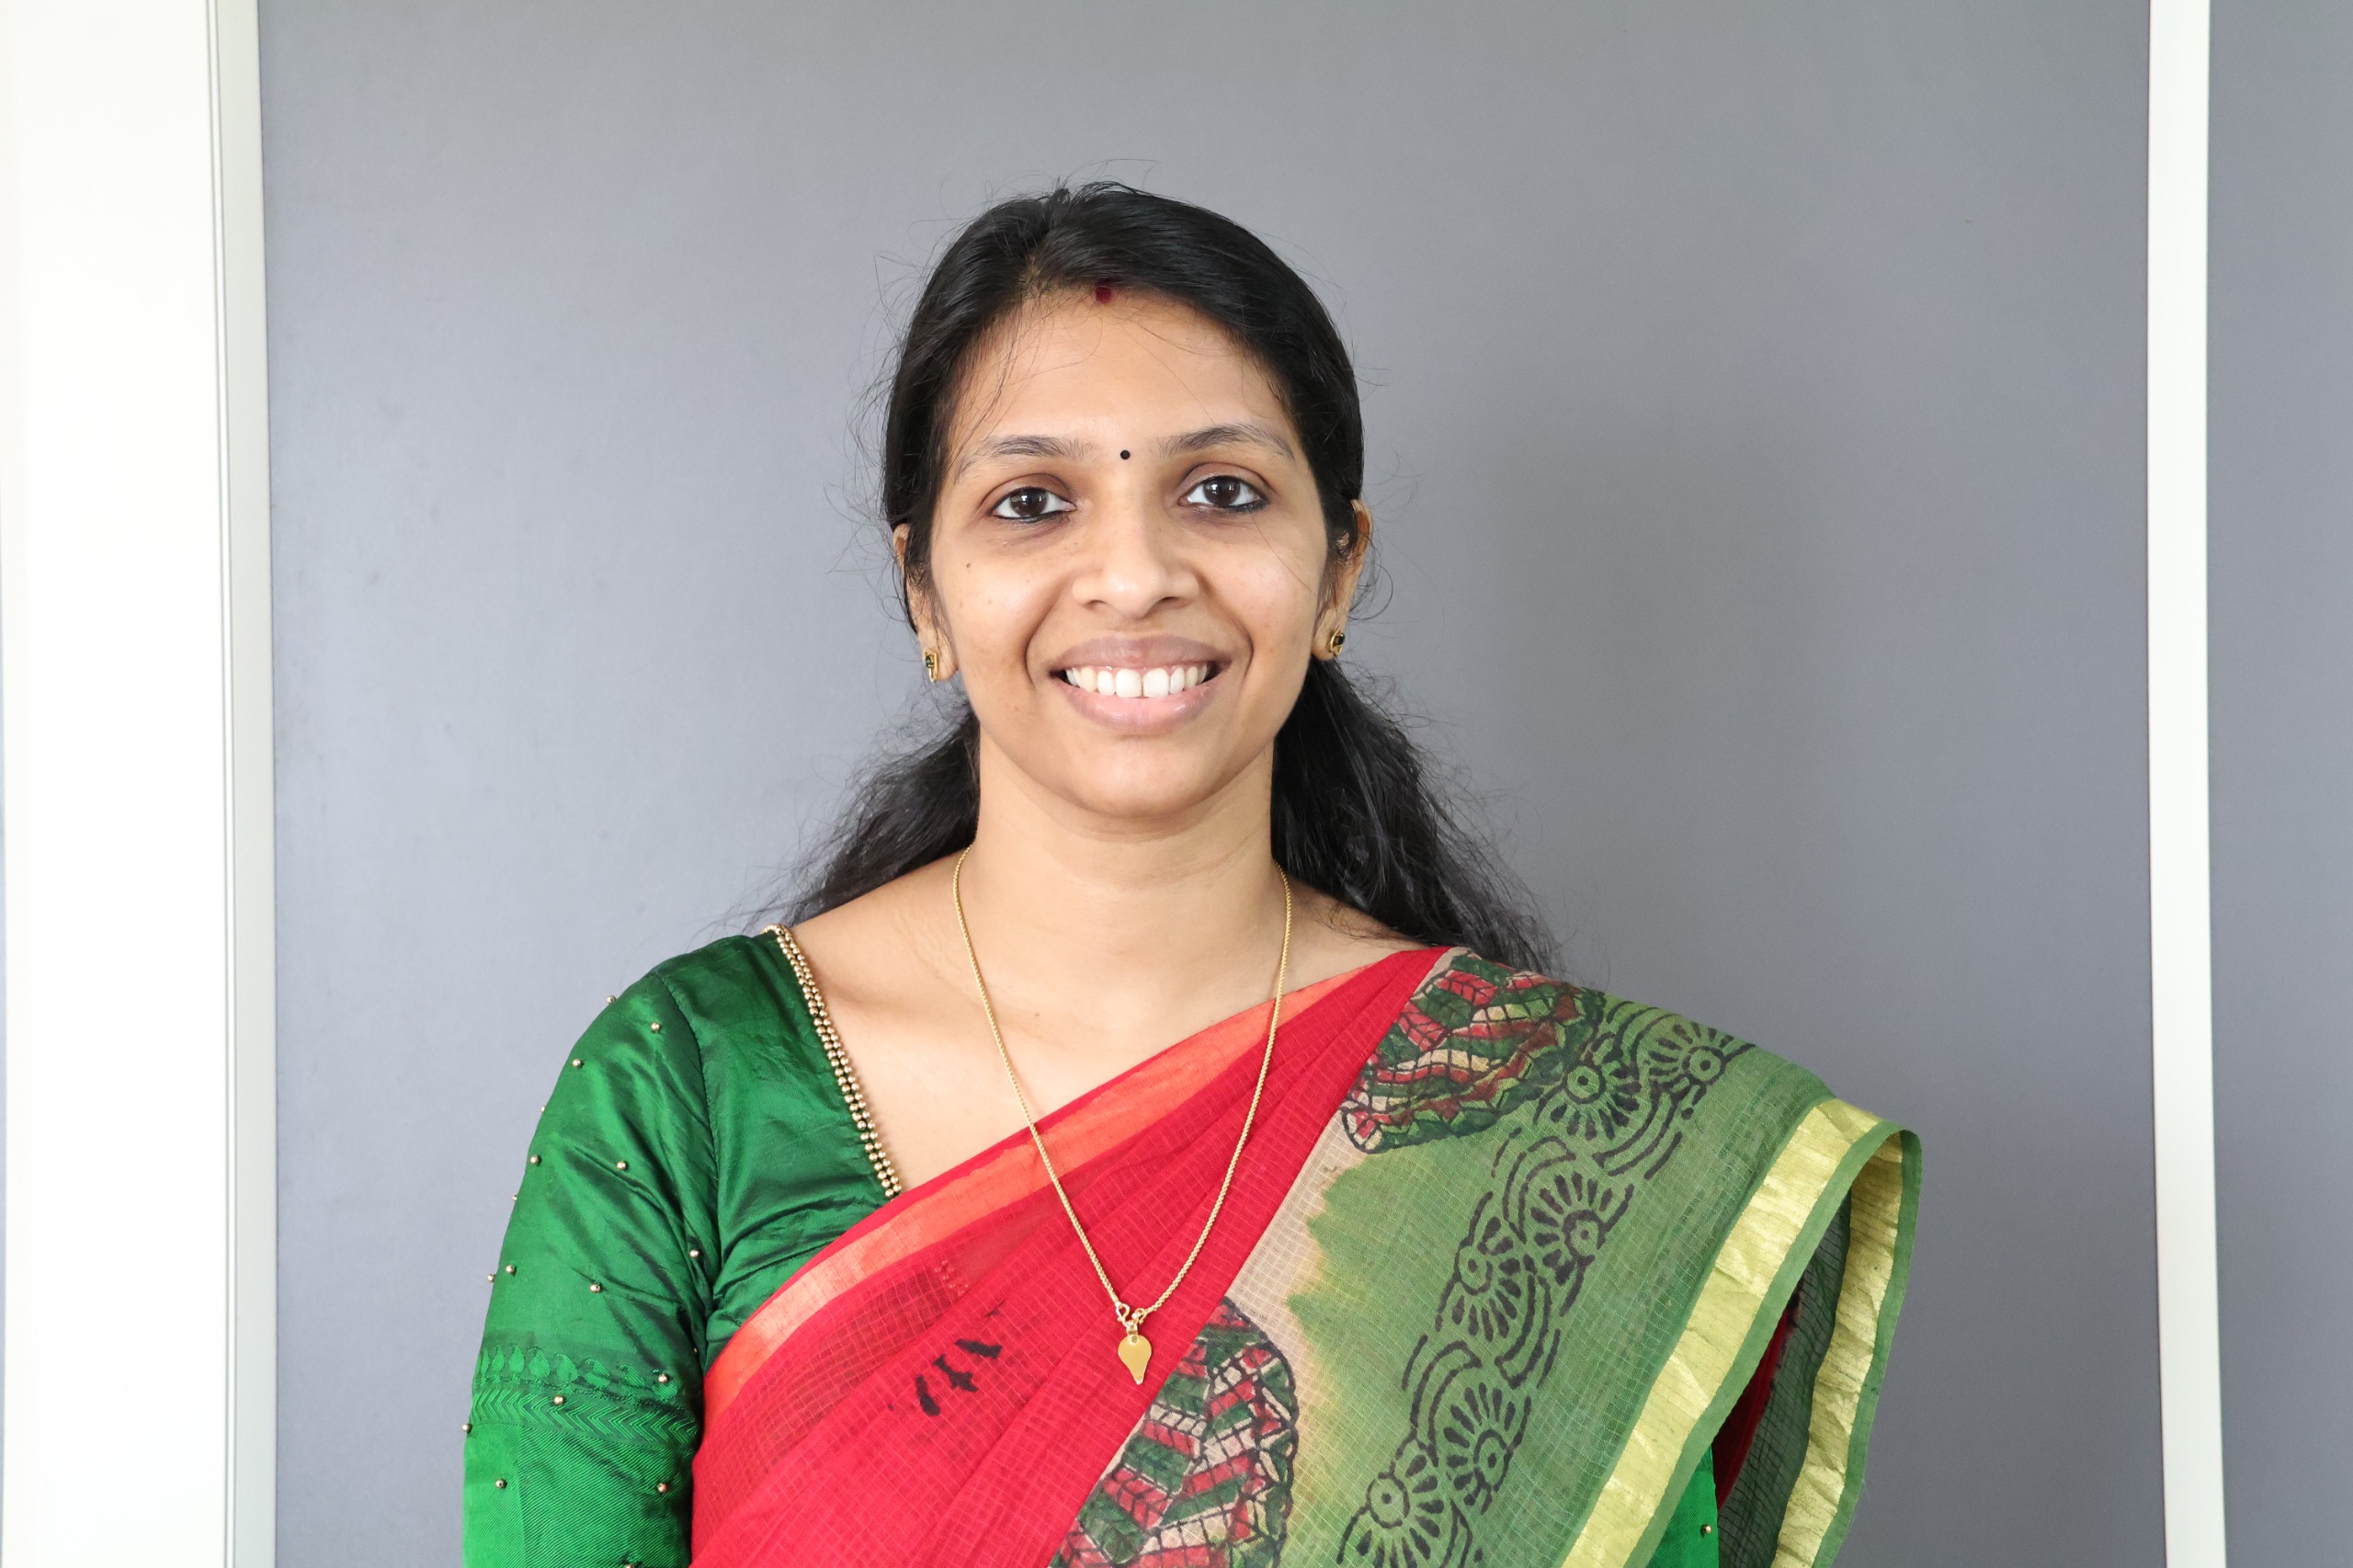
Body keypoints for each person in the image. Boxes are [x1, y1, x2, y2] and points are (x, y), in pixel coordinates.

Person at [461, 183, 1917, 1568]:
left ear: (1336, 571)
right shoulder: (689, 1091)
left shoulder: (1574, 1144)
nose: (1137, 571)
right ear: (924, 592)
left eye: (1221, 490)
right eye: (1033, 501)